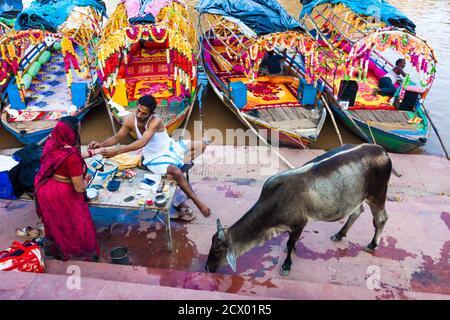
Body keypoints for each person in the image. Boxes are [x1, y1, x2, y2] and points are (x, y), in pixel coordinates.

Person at [88, 94, 211, 219]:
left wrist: (117, 151)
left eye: (144, 114)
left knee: (202, 145)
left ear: (151, 113)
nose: (139, 115)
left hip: (170, 147)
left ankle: (175, 165)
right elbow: (117, 137)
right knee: (176, 171)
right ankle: (197, 201)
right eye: (138, 111)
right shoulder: (130, 120)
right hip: (154, 157)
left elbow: (142, 142)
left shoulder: (156, 121)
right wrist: (100, 145)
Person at [34, 116, 100, 261]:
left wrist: (92, 152)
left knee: (56, 222)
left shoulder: (52, 143)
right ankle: (83, 251)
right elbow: (79, 188)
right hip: (61, 194)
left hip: (44, 189)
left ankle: (54, 247)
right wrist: (87, 179)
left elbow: (67, 156)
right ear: (73, 132)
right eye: (79, 128)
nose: (80, 130)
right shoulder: (71, 158)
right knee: (77, 223)